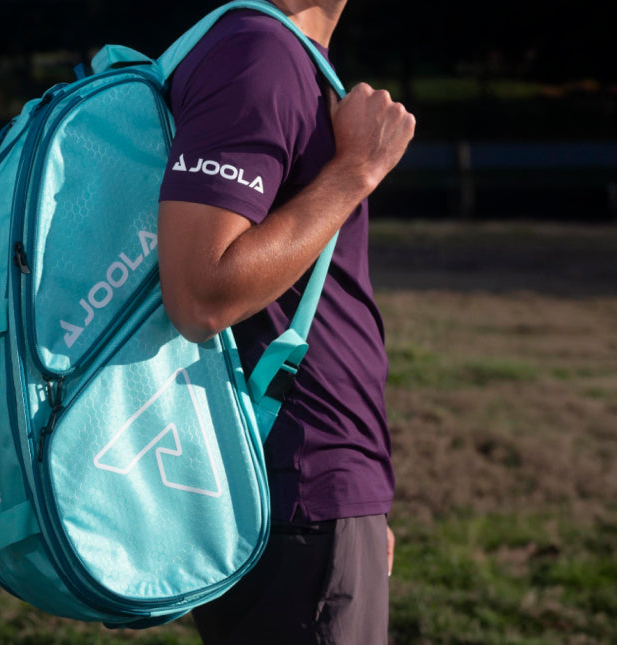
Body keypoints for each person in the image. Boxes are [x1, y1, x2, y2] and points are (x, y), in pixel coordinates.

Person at [152, 0, 414, 643]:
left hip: (311, 489)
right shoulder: (258, 53)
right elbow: (200, 292)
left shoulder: (277, 53)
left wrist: (356, 495)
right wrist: (358, 171)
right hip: (293, 486)